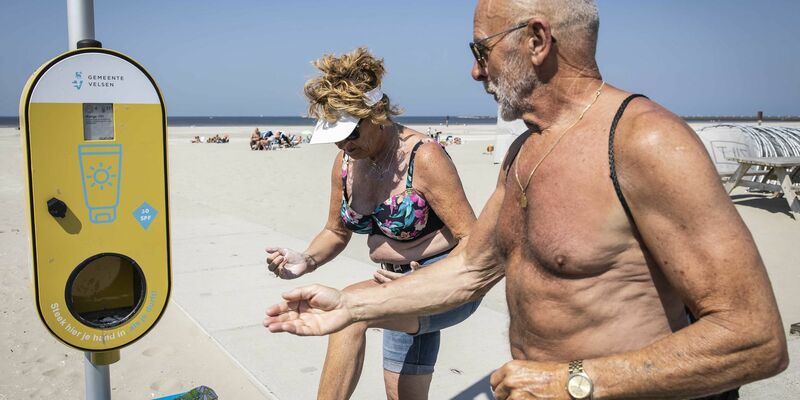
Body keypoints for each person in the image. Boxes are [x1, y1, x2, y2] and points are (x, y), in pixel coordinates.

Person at [264, 1, 789, 399]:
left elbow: (755, 337)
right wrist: (350, 304)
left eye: (480, 50)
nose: (475, 72)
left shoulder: (645, 142)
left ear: (536, 40)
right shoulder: (525, 151)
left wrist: (576, 382)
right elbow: (471, 267)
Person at [264, 47, 480, 400]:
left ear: (377, 113)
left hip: (446, 284)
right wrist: (306, 259)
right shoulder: (345, 164)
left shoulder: (424, 156)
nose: (343, 143)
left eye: (350, 133)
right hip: (390, 282)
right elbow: (336, 231)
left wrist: (422, 283)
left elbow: (473, 239)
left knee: (348, 309)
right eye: (335, 135)